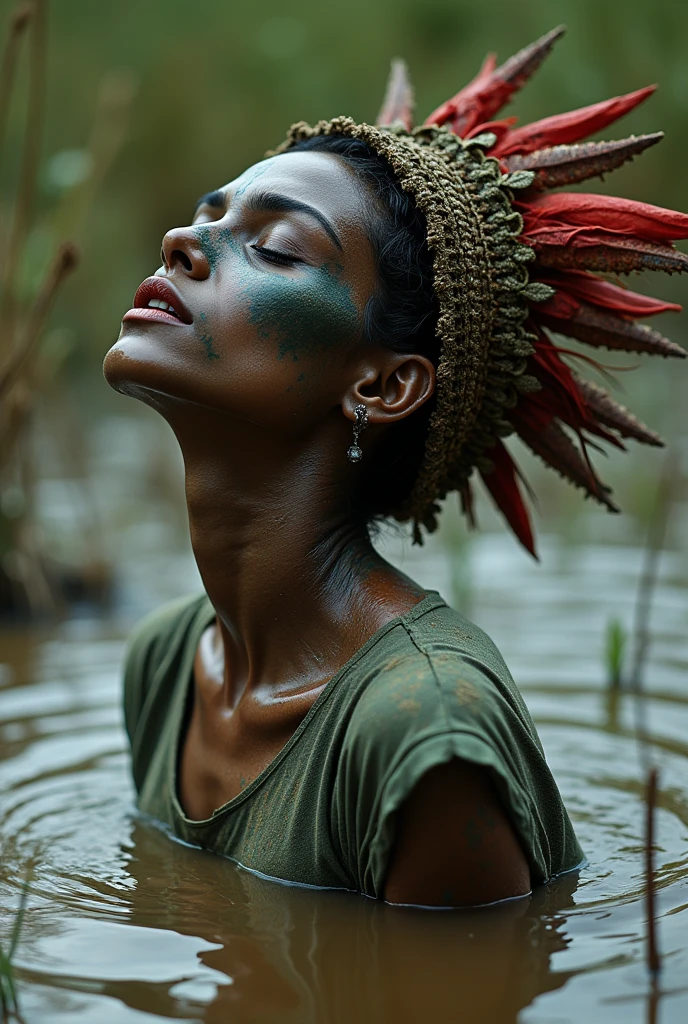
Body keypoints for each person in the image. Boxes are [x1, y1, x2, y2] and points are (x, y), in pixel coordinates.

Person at [104, 26, 685, 906]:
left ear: (383, 384)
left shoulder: (424, 732)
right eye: (210, 214)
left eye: (276, 248)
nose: (185, 239)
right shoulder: (166, 666)